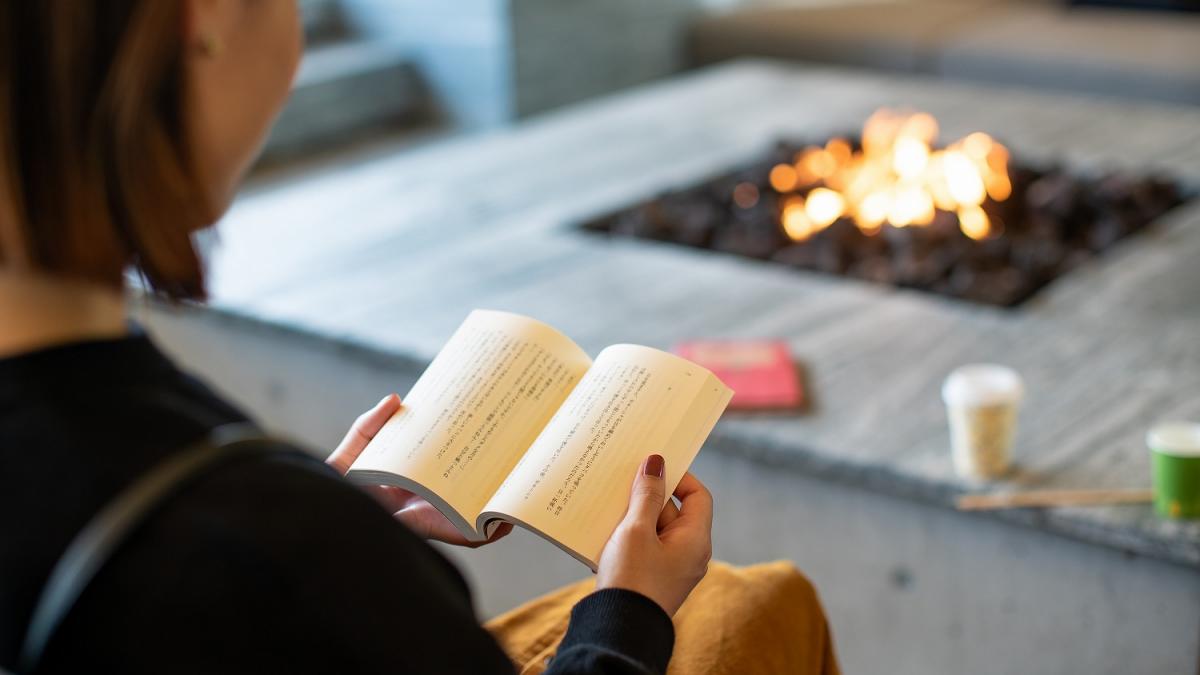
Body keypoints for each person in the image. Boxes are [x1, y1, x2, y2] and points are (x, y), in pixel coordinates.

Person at [0, 2, 839, 673]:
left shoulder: (250, 524)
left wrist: (321, 515)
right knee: (764, 603)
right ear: (205, 20)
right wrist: (630, 613)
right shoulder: (268, 552)